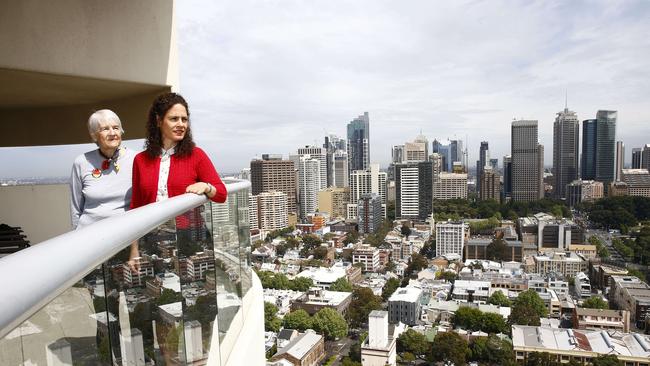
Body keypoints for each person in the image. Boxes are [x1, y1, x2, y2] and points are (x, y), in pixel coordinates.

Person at [128, 92, 227, 266]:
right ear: (158, 121)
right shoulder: (140, 160)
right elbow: (135, 206)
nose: (181, 124)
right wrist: (134, 249)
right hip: (150, 238)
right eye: (174, 119)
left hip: (190, 238)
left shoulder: (196, 155)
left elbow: (222, 194)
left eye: (184, 119)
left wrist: (206, 186)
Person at [70, 109, 136, 229]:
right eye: (105, 129)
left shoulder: (136, 159)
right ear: (94, 135)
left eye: (116, 128)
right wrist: (75, 237)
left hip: (125, 233)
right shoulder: (81, 162)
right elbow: (76, 209)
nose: (112, 133)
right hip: (89, 235)